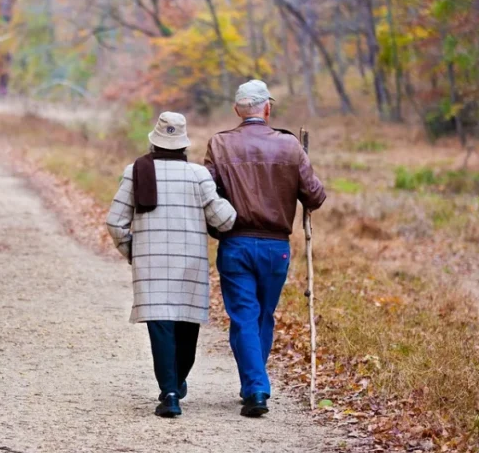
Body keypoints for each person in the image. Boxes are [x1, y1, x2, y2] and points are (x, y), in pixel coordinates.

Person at [204, 80, 326, 417]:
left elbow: (205, 191)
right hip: (276, 248)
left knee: (244, 316)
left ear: (236, 110)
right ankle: (255, 385)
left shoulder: (219, 144)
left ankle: (254, 386)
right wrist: (300, 164)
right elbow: (315, 196)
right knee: (261, 316)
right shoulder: (289, 146)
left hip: (236, 242)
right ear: (267, 109)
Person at [106, 112, 237, 418]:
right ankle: (176, 383)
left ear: (153, 142)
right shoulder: (198, 175)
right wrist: (229, 200)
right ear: (184, 145)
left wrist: (132, 251)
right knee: (186, 327)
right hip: (189, 264)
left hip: (150, 266)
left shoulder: (135, 172)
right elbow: (225, 220)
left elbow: (115, 222)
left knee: (161, 327)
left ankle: (170, 393)